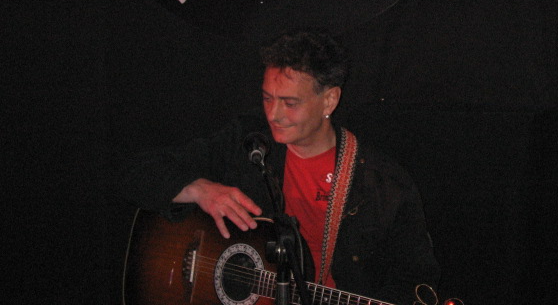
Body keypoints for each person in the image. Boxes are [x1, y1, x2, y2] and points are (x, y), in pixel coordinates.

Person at [118, 29, 439, 304]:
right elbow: (133, 174)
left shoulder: (381, 184)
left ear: (329, 100)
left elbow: (416, 278)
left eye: (290, 103)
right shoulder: (248, 141)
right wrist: (198, 189)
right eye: (267, 98)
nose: (273, 114)